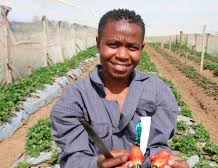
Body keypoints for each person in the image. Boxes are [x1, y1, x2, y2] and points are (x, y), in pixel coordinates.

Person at [51, 9, 188, 168]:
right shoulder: (74, 99)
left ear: (141, 49)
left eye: (132, 47)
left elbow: (157, 146)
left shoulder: (159, 92)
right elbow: (73, 158)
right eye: (113, 44)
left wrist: (166, 162)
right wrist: (95, 164)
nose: (122, 55)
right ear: (98, 43)